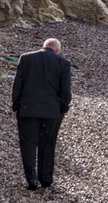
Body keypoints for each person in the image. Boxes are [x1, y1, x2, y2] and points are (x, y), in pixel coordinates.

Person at [11, 37, 72, 189]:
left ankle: (31, 179)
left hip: (28, 109)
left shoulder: (26, 58)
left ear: (44, 46)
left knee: (28, 144)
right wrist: (63, 107)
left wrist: (16, 104)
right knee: (48, 144)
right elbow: (65, 90)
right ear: (57, 50)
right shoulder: (63, 63)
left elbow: (17, 84)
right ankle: (46, 179)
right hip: (52, 111)